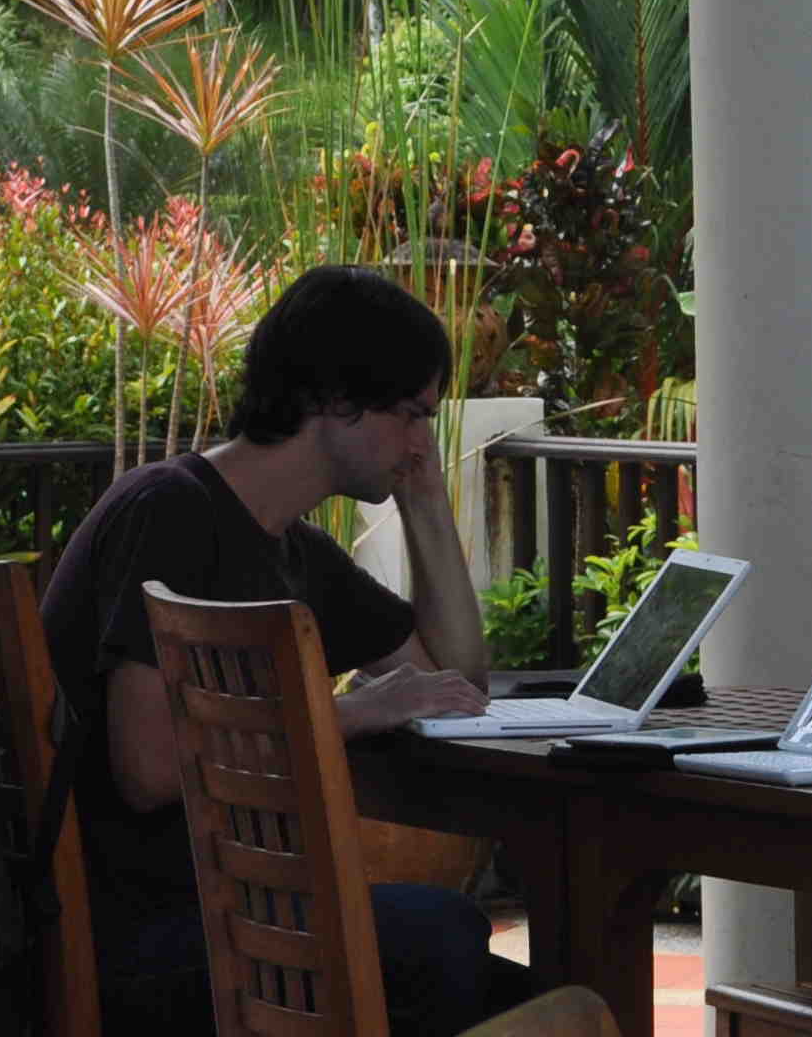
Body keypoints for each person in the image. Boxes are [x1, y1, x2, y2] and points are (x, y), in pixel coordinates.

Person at [40, 262, 537, 1037]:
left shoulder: (293, 551)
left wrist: (425, 500)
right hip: (139, 939)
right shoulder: (167, 513)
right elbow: (148, 768)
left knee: (541, 998)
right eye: (412, 414)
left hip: (226, 921)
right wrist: (349, 713)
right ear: (334, 399)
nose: (422, 442)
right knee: (447, 940)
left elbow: (453, 681)